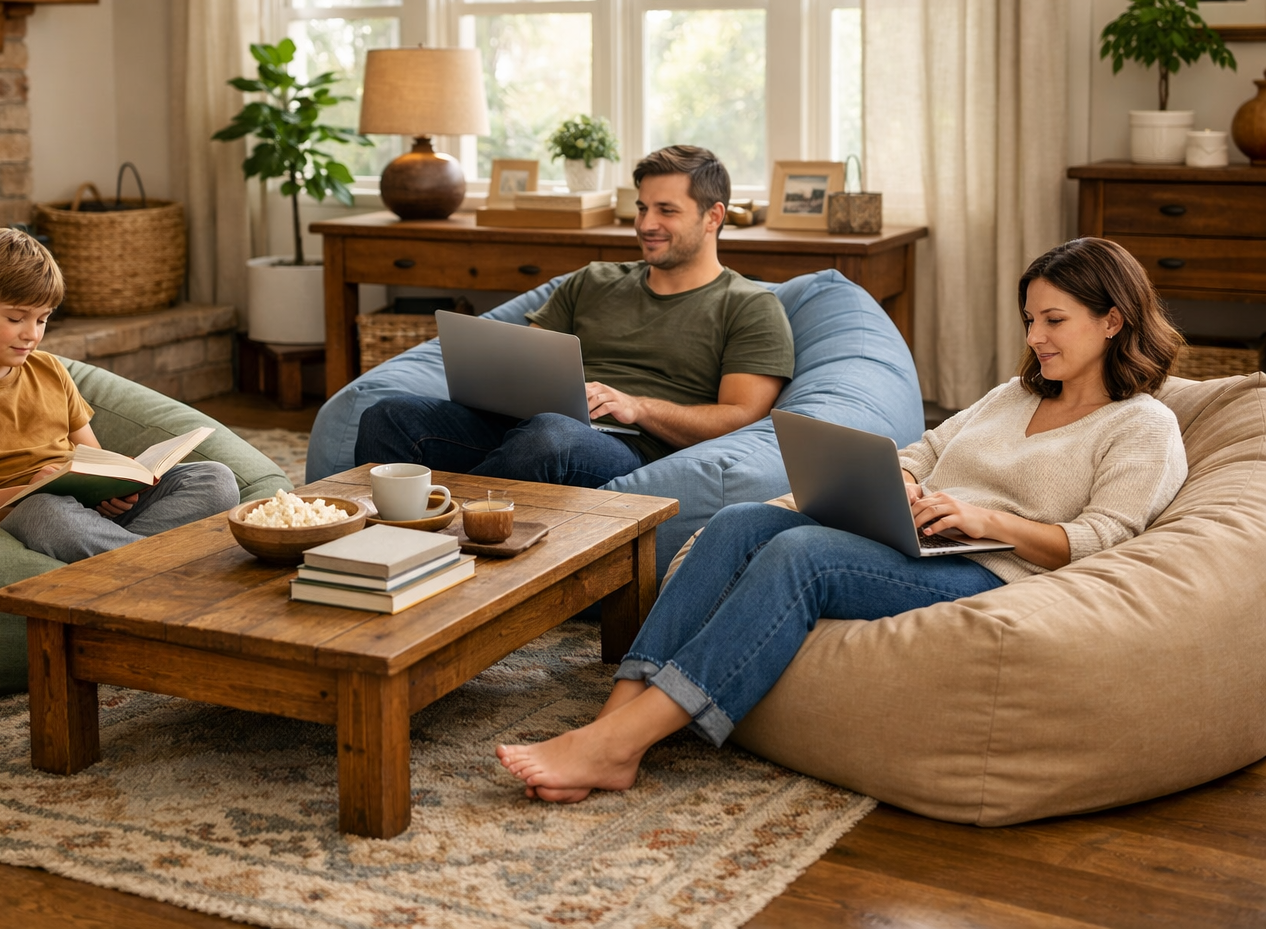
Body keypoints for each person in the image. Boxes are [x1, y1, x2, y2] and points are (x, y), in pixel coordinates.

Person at [496, 236, 1189, 802]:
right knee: (740, 521)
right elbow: (923, 449)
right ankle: (614, 718)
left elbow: (1103, 541)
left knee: (800, 556)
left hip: (989, 569)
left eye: (1054, 320)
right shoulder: (1015, 395)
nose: (1035, 337)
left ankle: (621, 745)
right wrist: (903, 483)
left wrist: (985, 522)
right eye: (1030, 320)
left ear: (1112, 320)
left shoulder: (1142, 425)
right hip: (920, 535)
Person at [353, 145, 795, 488]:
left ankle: (452, 530)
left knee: (552, 438)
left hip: (628, 447)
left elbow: (741, 417)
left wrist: (637, 407)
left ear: (713, 216)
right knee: (388, 415)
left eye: (667, 210)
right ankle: (387, 544)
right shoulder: (593, 280)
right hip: (528, 428)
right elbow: (529, 360)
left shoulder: (749, 306)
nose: (646, 224)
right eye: (642, 207)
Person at [0, 228, 239, 563]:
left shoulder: (49, 369)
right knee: (45, 511)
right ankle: (149, 562)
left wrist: (115, 489)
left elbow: (93, 457)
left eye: (42, 320)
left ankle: (129, 560)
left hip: (88, 514)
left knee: (215, 478)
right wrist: (28, 492)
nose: (31, 335)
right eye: (16, 318)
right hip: (29, 514)